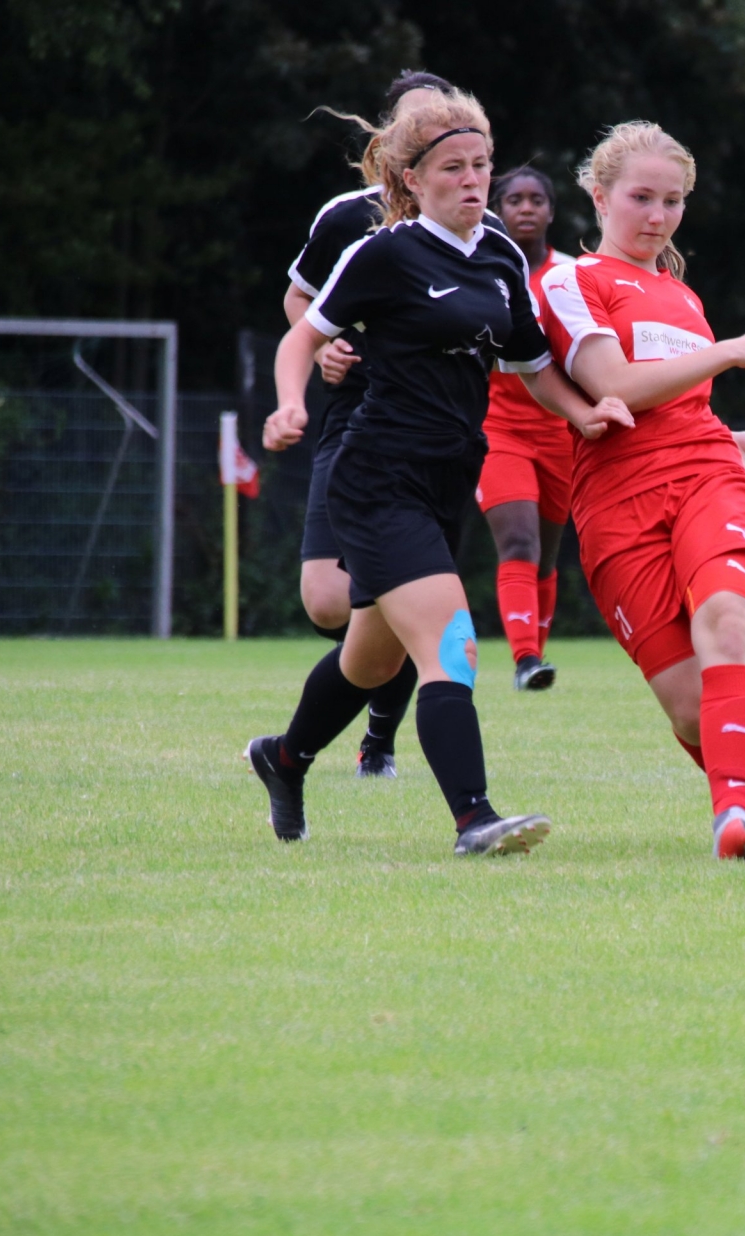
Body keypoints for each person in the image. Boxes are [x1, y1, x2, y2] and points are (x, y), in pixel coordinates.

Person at [248, 88, 630, 855]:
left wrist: (584, 412)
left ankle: (283, 759)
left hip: (446, 482)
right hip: (377, 477)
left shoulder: (500, 257)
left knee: (371, 659)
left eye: (481, 164)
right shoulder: (384, 252)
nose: (473, 180)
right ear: (412, 179)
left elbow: (532, 364)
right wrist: (290, 403)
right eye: (453, 167)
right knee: (451, 645)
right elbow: (300, 337)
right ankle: (474, 819)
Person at [536, 120, 745, 861]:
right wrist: (728, 352)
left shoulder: (682, 297)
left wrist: (727, 434)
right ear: (600, 196)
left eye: (673, 201)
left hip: (705, 476)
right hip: (615, 502)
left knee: (728, 619)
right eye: (642, 197)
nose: (658, 216)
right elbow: (617, 387)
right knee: (692, 710)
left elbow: (680, 405)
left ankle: (732, 821)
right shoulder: (571, 281)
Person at [280, 70, 454, 776]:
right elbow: (300, 302)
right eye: (415, 125)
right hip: (356, 419)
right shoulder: (347, 217)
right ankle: (310, 743)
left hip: (433, 434)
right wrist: (324, 349)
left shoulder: (480, 227)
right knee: (328, 601)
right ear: (388, 140)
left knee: (403, 598)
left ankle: (378, 741)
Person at [477, 165, 577, 690]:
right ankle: (526, 661)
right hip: (499, 429)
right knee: (518, 541)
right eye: (514, 200)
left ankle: (535, 655)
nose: (526, 208)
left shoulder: (572, 276)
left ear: (551, 211)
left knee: (546, 555)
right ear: (497, 210)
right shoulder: (481, 268)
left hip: (562, 432)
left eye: (536, 199)